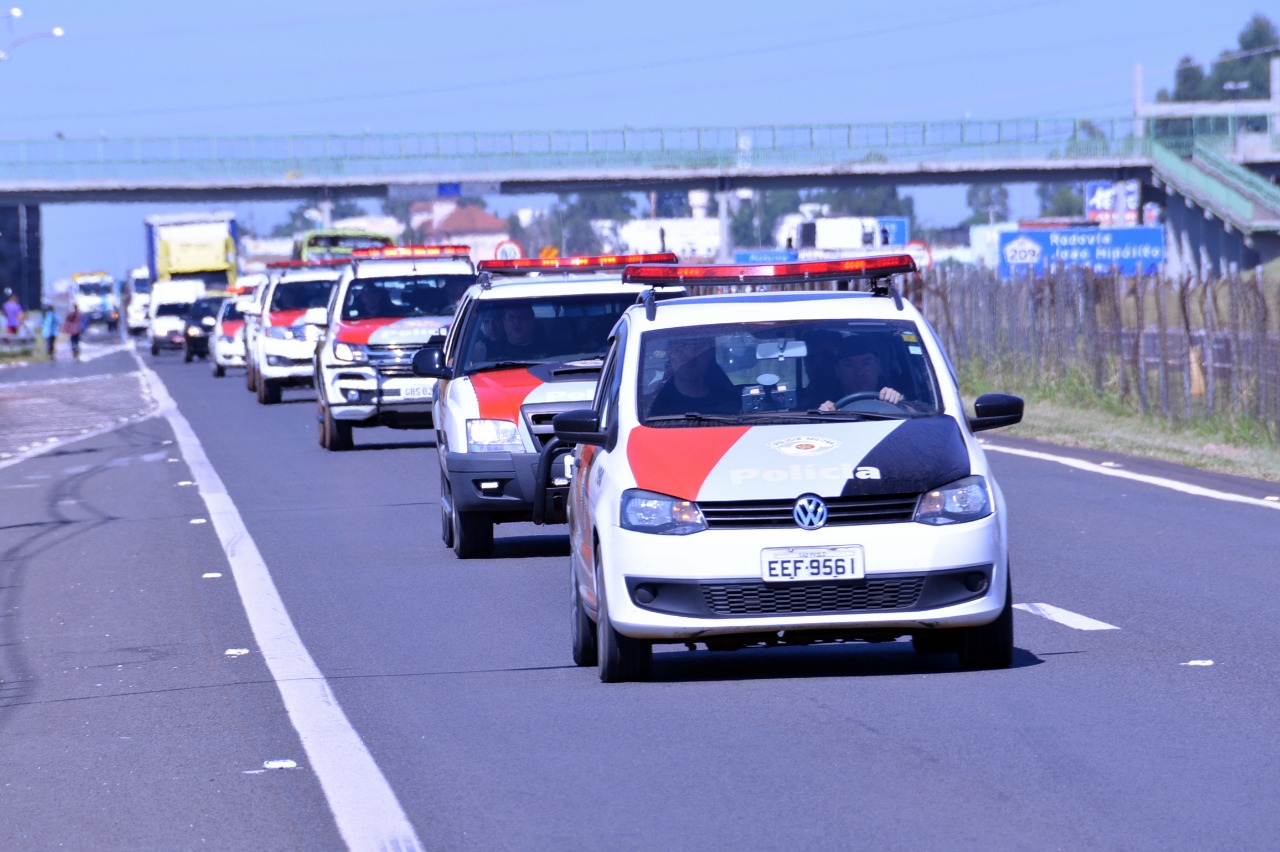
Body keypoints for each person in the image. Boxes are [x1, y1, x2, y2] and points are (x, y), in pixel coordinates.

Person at [647, 336, 739, 417]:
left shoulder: (731, 404)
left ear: (710, 353)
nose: (690, 355)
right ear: (669, 352)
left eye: (698, 348)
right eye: (681, 348)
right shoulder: (649, 407)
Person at [818, 335, 906, 411]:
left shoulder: (896, 394)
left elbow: (917, 413)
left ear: (878, 366)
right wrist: (823, 414)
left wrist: (899, 404)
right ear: (837, 371)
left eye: (865, 364)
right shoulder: (819, 398)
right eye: (849, 365)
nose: (859, 372)